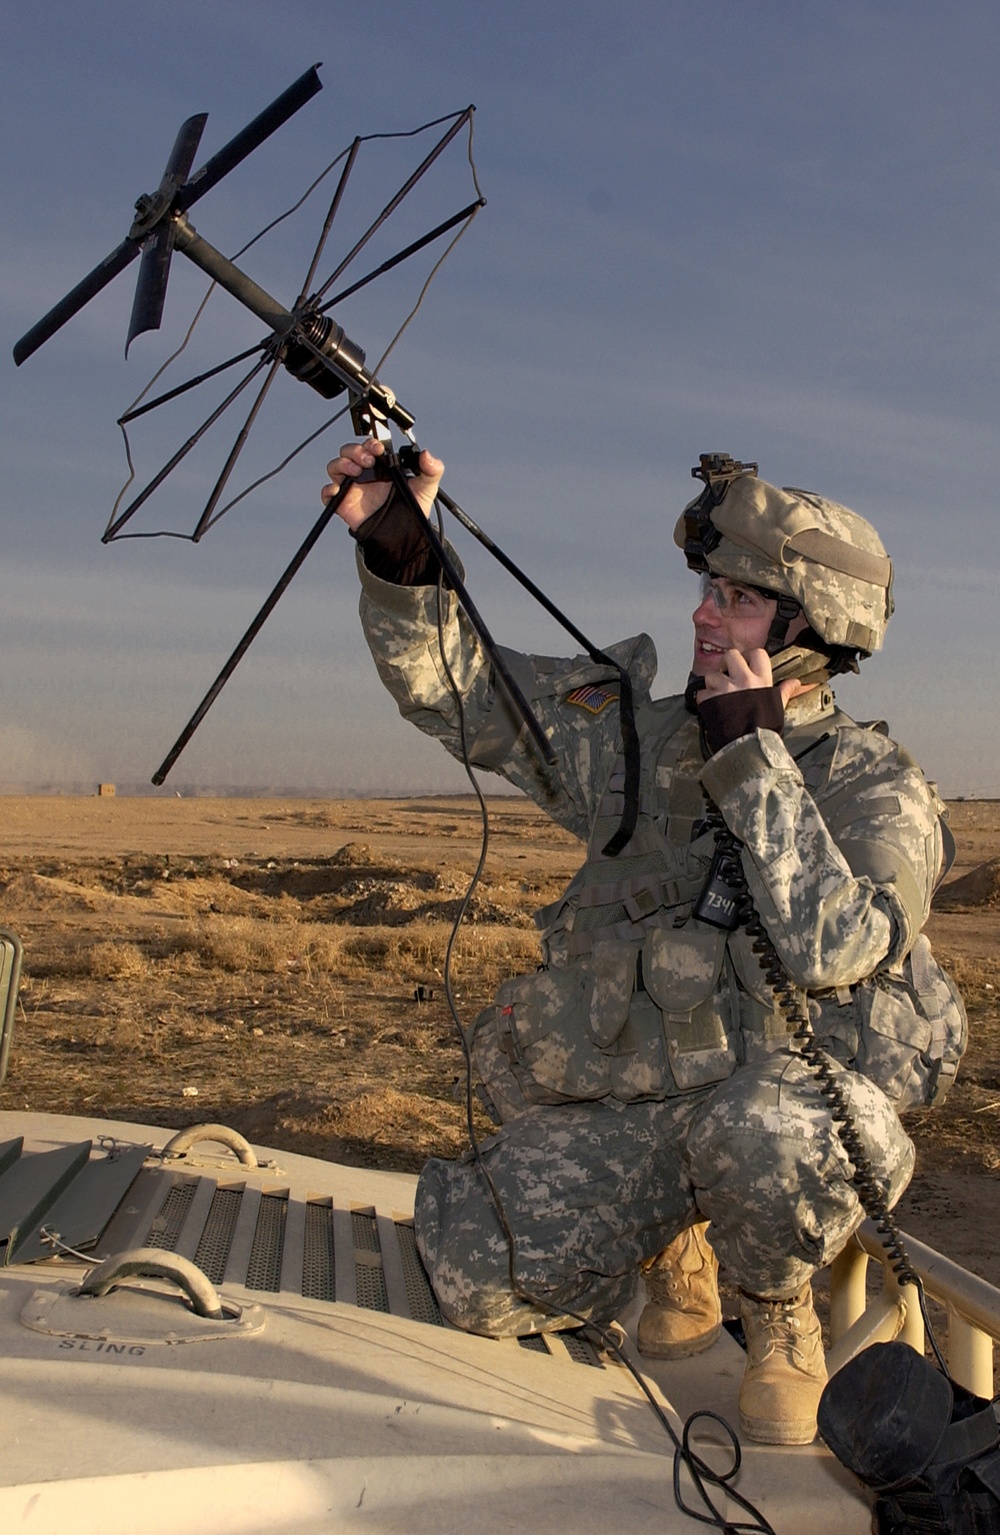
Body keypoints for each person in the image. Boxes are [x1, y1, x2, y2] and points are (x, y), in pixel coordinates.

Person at [322, 440, 966, 1446]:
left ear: (813, 632)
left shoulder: (876, 785)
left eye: (739, 600)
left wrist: (753, 760)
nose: (705, 614)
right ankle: (678, 1247)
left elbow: (836, 944)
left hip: (778, 1115)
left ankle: (780, 1308)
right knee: (477, 1276)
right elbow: (468, 695)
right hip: (634, 1100)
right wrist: (401, 547)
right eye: (709, 589)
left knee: (775, 1131)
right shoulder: (635, 740)